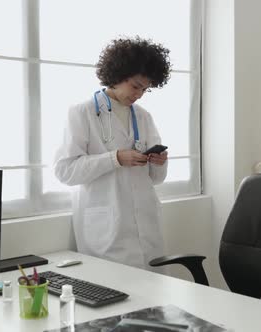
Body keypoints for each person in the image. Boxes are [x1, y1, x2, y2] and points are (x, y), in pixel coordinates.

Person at [53, 37, 171, 271]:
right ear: (118, 75)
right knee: (115, 298)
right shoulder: (82, 113)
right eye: (136, 86)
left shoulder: (144, 117)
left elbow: (156, 179)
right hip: (107, 232)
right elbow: (64, 171)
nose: (139, 94)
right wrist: (114, 159)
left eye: (145, 89)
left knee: (156, 300)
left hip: (147, 229)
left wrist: (158, 163)